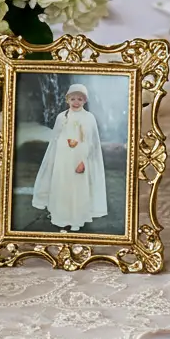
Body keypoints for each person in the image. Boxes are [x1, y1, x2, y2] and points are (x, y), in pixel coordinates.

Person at [31, 84, 108, 231]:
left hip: (79, 158)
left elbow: (92, 142)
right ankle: (61, 217)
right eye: (73, 99)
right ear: (67, 100)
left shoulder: (89, 118)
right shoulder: (62, 117)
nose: (76, 102)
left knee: (78, 188)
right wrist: (63, 146)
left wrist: (83, 161)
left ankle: (76, 219)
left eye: (79, 99)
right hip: (63, 159)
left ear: (85, 101)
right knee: (62, 187)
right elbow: (55, 139)